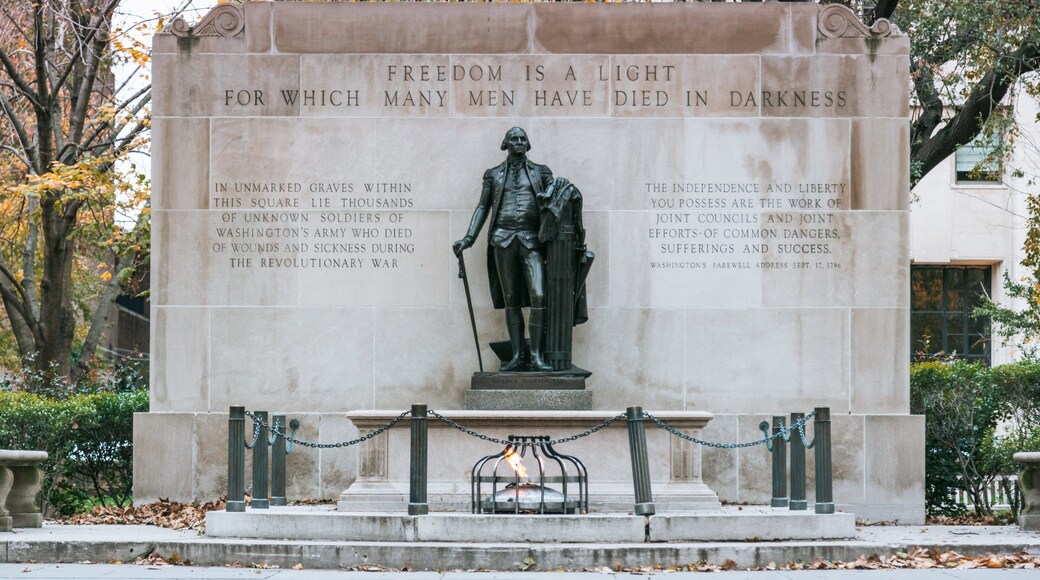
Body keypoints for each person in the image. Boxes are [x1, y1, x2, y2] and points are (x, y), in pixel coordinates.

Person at [453, 127, 554, 372]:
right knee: (511, 300)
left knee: (539, 295)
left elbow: (557, 201)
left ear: (528, 144)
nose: (519, 142)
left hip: (532, 241)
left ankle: (537, 356)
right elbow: (482, 208)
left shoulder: (541, 172)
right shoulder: (494, 174)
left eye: (523, 139)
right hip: (502, 240)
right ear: (505, 144)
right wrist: (468, 238)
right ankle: (518, 356)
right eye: (514, 139)